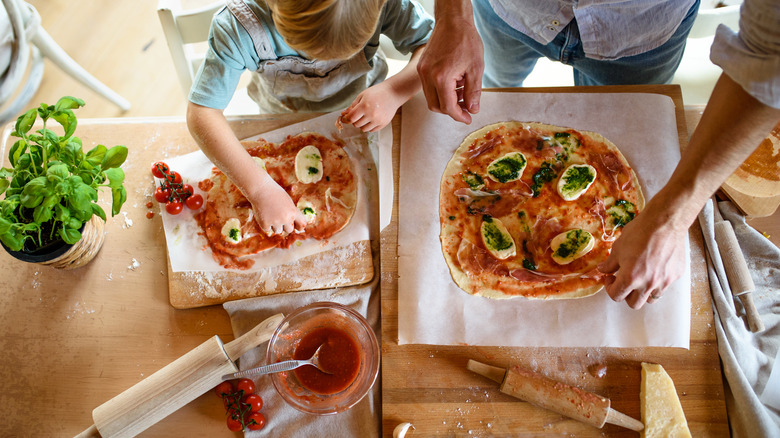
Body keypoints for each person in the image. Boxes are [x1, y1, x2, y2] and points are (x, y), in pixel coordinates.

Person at [418, 0, 780, 309]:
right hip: (509, 12)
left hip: (640, 33)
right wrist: (454, 16)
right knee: (497, 87)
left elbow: (769, 58)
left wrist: (671, 220)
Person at [186, 0, 433, 235]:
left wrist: (395, 90)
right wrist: (259, 188)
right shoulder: (237, 28)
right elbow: (202, 113)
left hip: (371, 107)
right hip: (282, 115)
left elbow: (431, 45)